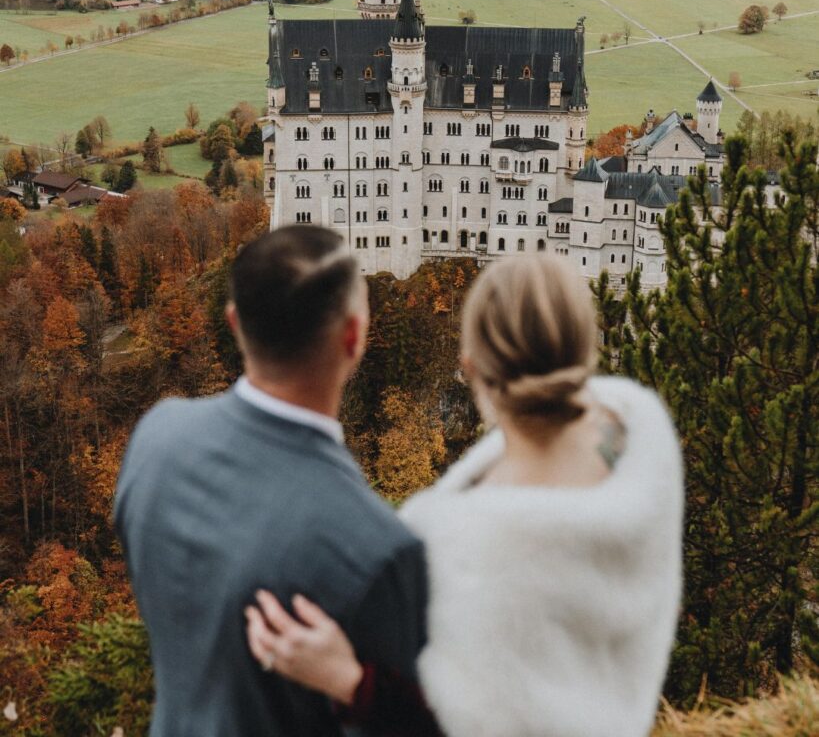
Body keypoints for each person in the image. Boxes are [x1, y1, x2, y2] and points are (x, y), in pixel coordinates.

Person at [246, 253, 684, 737]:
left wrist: (346, 680)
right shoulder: (644, 439)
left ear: (471, 369)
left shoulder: (459, 546)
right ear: (586, 350)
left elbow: (452, 725)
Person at [115, 225, 427, 737]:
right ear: (354, 336)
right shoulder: (378, 548)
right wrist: (355, 687)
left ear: (236, 323)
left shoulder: (156, 439)